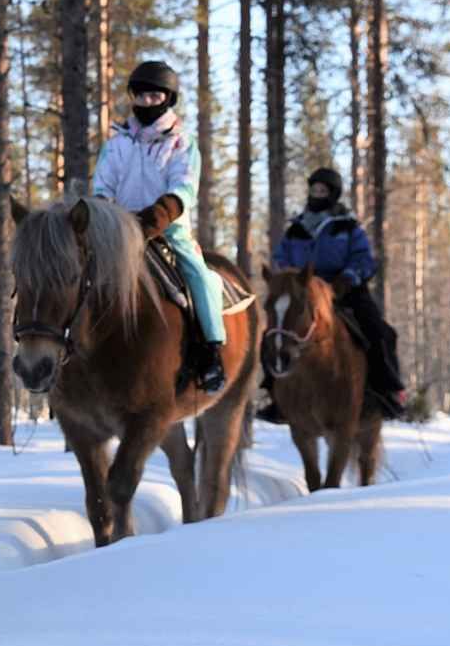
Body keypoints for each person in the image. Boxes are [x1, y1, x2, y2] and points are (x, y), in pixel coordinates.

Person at [91, 60, 227, 393]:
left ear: (168, 99)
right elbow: (103, 185)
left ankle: (211, 352)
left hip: (168, 228)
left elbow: (184, 186)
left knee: (197, 274)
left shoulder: (181, 142)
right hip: (120, 229)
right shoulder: (117, 143)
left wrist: (160, 214)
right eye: (141, 96)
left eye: (155, 96)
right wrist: (106, 211)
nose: (147, 102)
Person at [257, 166, 409, 422]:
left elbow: (364, 258)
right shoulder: (296, 229)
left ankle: (387, 391)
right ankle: (275, 395)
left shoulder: (347, 227)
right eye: (314, 190)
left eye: (323, 191)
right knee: (272, 335)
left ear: (333, 194)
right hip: (302, 293)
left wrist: (349, 277)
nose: (317, 195)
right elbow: (281, 258)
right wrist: (287, 277)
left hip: (345, 291)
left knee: (380, 331)